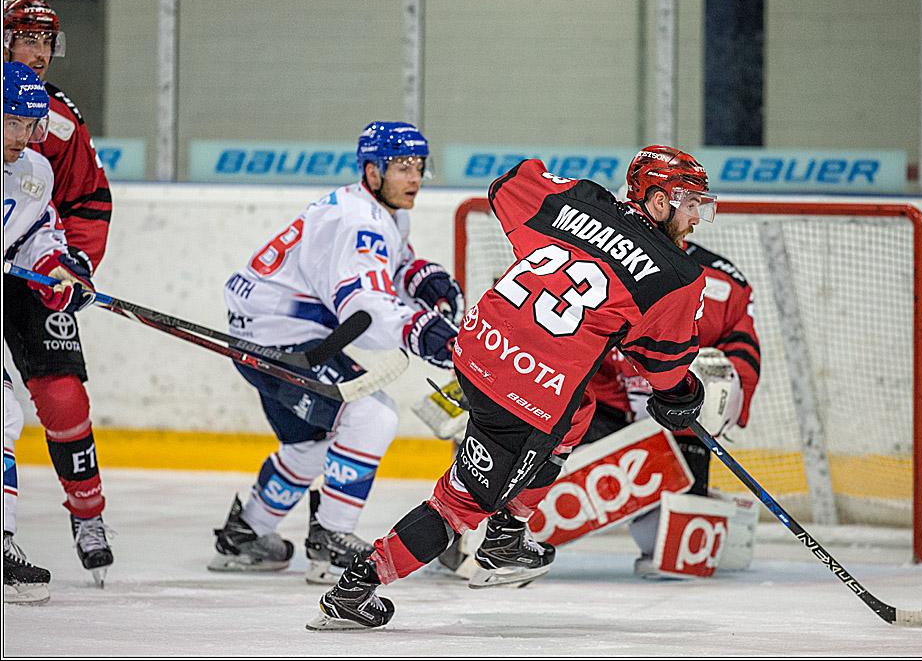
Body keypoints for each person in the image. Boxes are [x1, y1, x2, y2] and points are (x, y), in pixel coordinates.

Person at [307, 145, 718, 630]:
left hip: (476, 348)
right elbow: (664, 370)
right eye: (687, 201)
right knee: (460, 505)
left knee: (580, 406)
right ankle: (354, 589)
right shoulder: (676, 276)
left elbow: (509, 184)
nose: (696, 215)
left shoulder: (582, 200)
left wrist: (575, 216)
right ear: (654, 199)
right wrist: (683, 396)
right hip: (527, 395)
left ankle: (508, 532)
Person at [209, 121, 463, 585]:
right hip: (281, 341)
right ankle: (332, 537)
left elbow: (393, 263)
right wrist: (423, 331)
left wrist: (424, 279)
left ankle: (246, 533)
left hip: (267, 333)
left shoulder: (372, 209)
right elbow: (362, 309)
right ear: (371, 170)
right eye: (402, 167)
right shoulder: (358, 221)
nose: (414, 178)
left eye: (420, 167)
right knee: (371, 416)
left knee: (309, 444)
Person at [437, 225, 762, 581]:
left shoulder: (723, 281)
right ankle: (476, 533)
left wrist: (723, 396)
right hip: (598, 409)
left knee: (675, 557)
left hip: (674, 426)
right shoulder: (589, 258)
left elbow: (743, 355)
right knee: (513, 447)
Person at [3, 0, 115, 584]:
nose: (40, 51)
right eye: (26, 37)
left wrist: (68, 267)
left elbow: (83, 204)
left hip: (24, 267)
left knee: (64, 397)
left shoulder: (57, 126)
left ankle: (88, 513)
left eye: (47, 40)